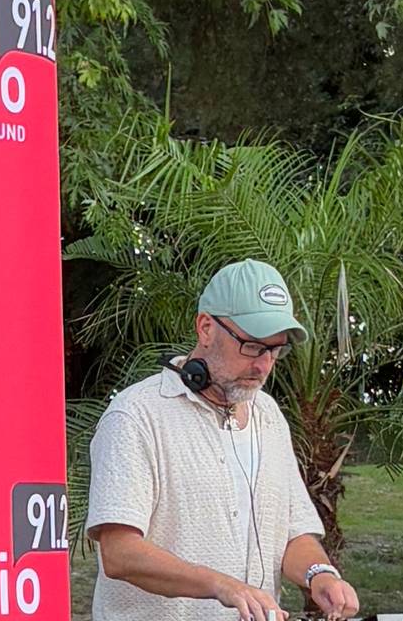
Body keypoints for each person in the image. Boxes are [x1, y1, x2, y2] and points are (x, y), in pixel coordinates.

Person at [86, 260, 362, 621]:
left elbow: (294, 535)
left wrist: (319, 574)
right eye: (252, 346)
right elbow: (120, 553)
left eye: (275, 350)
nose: (264, 365)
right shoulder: (136, 416)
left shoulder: (269, 417)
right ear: (206, 327)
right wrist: (222, 586)